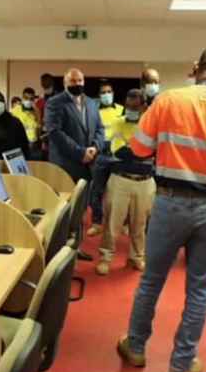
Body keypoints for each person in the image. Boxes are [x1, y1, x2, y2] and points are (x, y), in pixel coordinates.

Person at [116, 47, 206, 372]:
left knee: (151, 281)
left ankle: (135, 348)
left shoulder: (167, 101)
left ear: (195, 69)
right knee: (199, 289)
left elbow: (138, 148)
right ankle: (181, 366)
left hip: (168, 203)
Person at [45, 68, 105, 261]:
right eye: (73, 81)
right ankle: (60, 253)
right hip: (66, 167)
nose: (78, 84)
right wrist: (80, 153)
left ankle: (76, 248)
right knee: (65, 212)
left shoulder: (90, 103)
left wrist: (95, 147)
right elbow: (55, 133)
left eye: (80, 80)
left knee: (80, 211)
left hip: (88, 166)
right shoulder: (55, 103)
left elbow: (99, 128)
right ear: (65, 83)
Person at [96, 89, 155, 275]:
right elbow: (119, 152)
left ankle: (137, 257)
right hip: (120, 180)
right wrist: (141, 151)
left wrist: (134, 150)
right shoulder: (117, 123)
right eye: (128, 106)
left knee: (140, 225)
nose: (130, 110)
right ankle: (106, 258)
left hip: (145, 183)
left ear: (144, 107)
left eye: (135, 107)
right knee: (113, 223)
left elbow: (156, 152)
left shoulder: (152, 127)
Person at [87, 79, 125, 236]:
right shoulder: (94, 111)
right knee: (97, 191)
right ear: (98, 95)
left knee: (120, 193)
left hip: (118, 158)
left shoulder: (122, 110)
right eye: (103, 93)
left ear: (114, 93)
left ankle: (122, 224)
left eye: (109, 92)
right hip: (100, 157)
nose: (106, 95)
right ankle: (97, 223)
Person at [12, 87, 42, 160]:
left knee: (36, 169)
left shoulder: (37, 112)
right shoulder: (15, 111)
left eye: (31, 98)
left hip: (35, 147)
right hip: (20, 147)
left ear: (34, 99)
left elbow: (38, 128)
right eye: (26, 98)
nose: (29, 100)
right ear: (22, 98)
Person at [34, 73, 56, 161]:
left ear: (52, 84)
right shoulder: (39, 102)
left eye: (48, 86)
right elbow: (37, 120)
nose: (47, 88)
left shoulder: (60, 100)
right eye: (45, 86)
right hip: (44, 139)